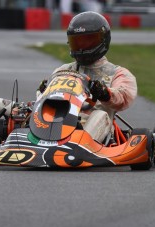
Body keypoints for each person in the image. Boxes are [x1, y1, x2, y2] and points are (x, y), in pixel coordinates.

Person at [37, 11, 137, 143]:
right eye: (77, 42)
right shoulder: (63, 70)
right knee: (11, 109)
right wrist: (44, 91)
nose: (82, 48)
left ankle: (81, 144)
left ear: (103, 40)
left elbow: (124, 97)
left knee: (100, 114)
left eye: (87, 41)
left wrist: (105, 93)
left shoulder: (118, 73)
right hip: (59, 122)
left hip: (96, 130)